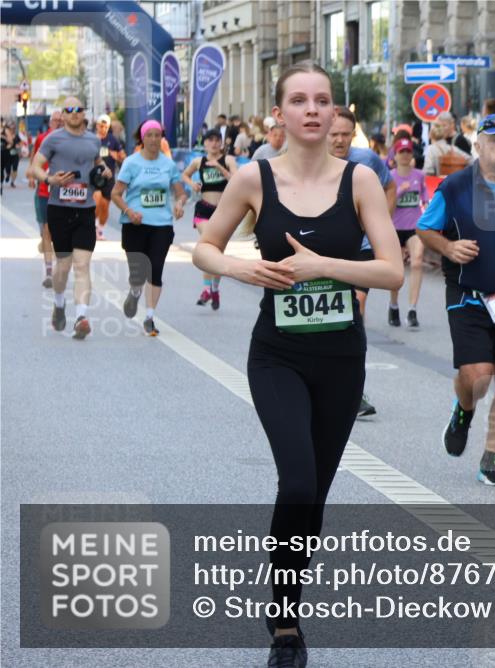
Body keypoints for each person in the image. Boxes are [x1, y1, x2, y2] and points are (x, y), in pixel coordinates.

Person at [193, 61, 402, 668]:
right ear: (279, 113)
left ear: (336, 113)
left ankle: (288, 594)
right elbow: (205, 245)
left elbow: (392, 271)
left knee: (315, 499)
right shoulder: (254, 177)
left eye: (323, 101)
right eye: (299, 100)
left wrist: (324, 266)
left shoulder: (359, 180)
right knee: (300, 481)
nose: (313, 110)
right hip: (278, 355)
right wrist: (240, 266)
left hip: (342, 357)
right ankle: (285, 619)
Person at [416, 113, 495, 487]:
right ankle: (464, 410)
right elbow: (425, 228)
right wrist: (448, 246)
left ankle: (492, 457)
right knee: (478, 378)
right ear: (478, 145)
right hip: (469, 296)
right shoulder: (455, 186)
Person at [328, 104, 398, 418]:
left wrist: (381, 223)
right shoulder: (311, 163)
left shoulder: (366, 160)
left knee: (354, 307)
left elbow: (390, 186)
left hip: (362, 245)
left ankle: (355, 389)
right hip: (325, 247)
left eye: (345, 134)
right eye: (334, 135)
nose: (340, 140)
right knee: (327, 313)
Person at [28, 97, 112, 340]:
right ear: (63, 114)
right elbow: (35, 167)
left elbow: (98, 163)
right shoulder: (53, 139)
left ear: (84, 113)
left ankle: (81, 317)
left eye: (78, 109)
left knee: (83, 265)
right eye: (69, 110)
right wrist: (49, 179)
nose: (74, 113)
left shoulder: (94, 140)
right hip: (59, 209)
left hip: (85, 209)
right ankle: (59, 302)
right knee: (62, 268)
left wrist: (104, 170)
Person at [110, 121, 187, 336]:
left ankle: (150, 317)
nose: (154, 139)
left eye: (158, 135)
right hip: (135, 225)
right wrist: (128, 212)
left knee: (155, 270)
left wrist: (179, 204)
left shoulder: (168, 165)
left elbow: (180, 192)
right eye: (149, 135)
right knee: (138, 273)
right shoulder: (131, 163)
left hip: (161, 225)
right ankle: (135, 291)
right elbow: (115, 194)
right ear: (142, 138)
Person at [182, 128, 239, 309]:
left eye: (217, 140)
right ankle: (207, 289)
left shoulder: (228, 160)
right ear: (205, 143)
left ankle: (214, 288)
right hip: (204, 211)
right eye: (210, 140)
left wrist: (220, 168)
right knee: (208, 248)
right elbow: (184, 174)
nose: (214, 144)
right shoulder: (199, 161)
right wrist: (192, 184)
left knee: (217, 252)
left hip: (222, 212)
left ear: (221, 143)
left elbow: (237, 180)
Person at [388, 137, 426, 327]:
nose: (405, 155)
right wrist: (399, 192)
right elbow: (385, 206)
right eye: (401, 152)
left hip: (414, 227)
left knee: (417, 262)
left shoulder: (419, 175)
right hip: (394, 228)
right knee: (397, 269)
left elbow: (425, 200)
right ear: (395, 155)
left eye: (408, 152)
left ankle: (412, 310)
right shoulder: (390, 177)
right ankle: (394, 305)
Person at [28, 109, 63, 288]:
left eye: (60, 120)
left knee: (59, 233)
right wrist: (32, 173)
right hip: (44, 191)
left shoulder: (69, 140)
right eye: (55, 120)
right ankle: (49, 271)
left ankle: (56, 266)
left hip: (64, 193)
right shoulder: (43, 138)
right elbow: (34, 158)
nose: (58, 123)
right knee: (47, 231)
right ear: (50, 122)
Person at [93, 114, 126, 241]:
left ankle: (100, 229)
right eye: (101, 126)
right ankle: (93, 224)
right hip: (95, 176)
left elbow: (123, 156)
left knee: (105, 205)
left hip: (109, 177)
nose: (103, 128)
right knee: (96, 200)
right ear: (97, 126)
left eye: (106, 126)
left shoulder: (113, 140)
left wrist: (115, 155)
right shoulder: (91, 139)